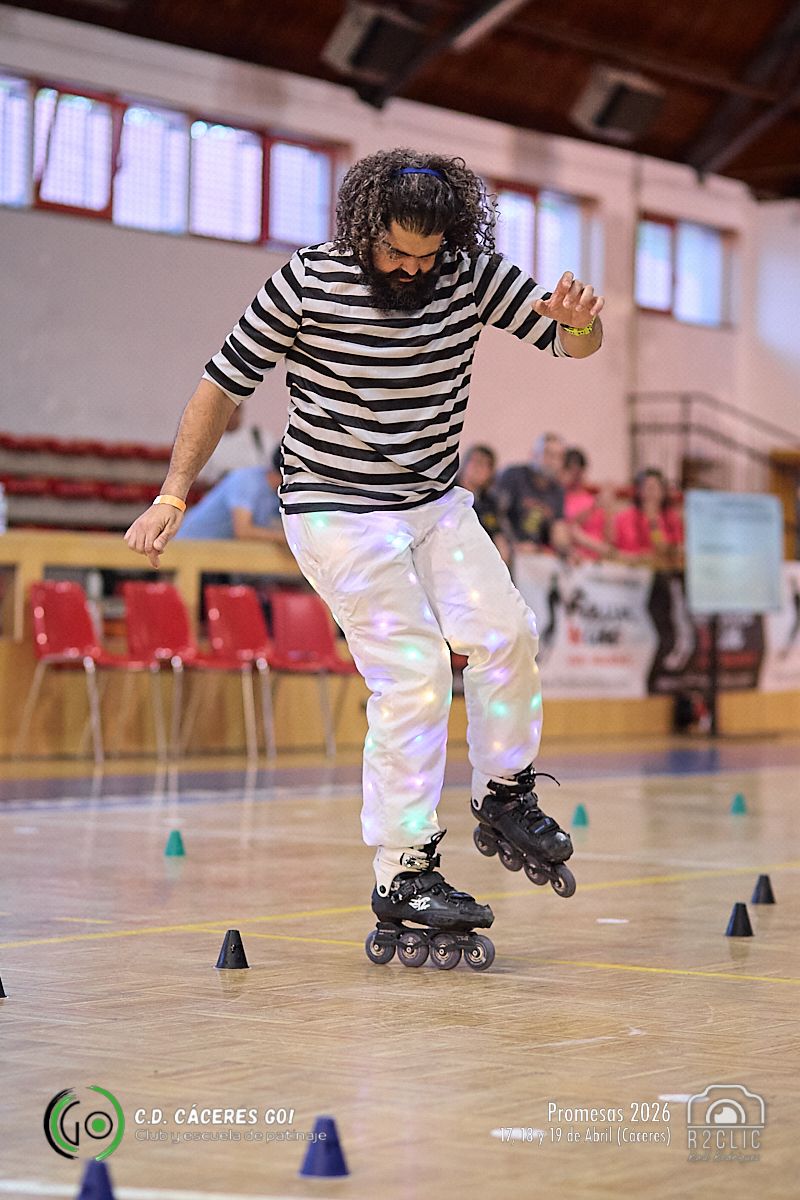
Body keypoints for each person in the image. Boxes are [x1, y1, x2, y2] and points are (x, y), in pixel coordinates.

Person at [124, 148, 604, 969]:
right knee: (415, 672)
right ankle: (403, 870)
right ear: (364, 227)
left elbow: (571, 344)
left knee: (507, 632)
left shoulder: (469, 274)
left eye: (425, 255)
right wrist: (173, 494)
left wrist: (581, 322)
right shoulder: (307, 280)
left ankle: (504, 794)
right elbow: (221, 386)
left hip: (433, 502)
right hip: (334, 504)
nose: (410, 269)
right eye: (394, 253)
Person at [176, 446, 284, 543]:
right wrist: (286, 538)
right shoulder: (246, 481)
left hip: (215, 550)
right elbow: (243, 532)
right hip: (187, 547)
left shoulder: (276, 493)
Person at [498, 432, 571, 556]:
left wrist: (568, 551)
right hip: (506, 549)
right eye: (548, 454)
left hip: (534, 553)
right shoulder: (514, 476)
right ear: (533, 454)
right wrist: (513, 545)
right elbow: (498, 515)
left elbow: (558, 528)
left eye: (559, 457)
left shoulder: (557, 491)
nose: (553, 462)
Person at [613, 467, 683, 567]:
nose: (650, 491)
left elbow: (668, 552)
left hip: (660, 570)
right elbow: (613, 551)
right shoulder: (624, 517)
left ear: (663, 491)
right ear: (639, 491)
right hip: (629, 568)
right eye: (646, 487)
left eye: (654, 487)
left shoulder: (671, 518)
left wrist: (653, 524)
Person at [455, 443, 512, 566]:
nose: (479, 468)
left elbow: (496, 532)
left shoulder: (489, 502)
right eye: (476, 461)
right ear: (465, 463)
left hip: (481, 554)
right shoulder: (450, 492)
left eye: (486, 465)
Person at [561, 447, 612, 562]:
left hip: (599, 559)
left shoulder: (591, 499)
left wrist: (609, 509)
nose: (576, 476)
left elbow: (609, 537)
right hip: (575, 559)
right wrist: (593, 507)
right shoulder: (559, 498)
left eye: (579, 472)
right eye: (572, 471)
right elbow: (567, 527)